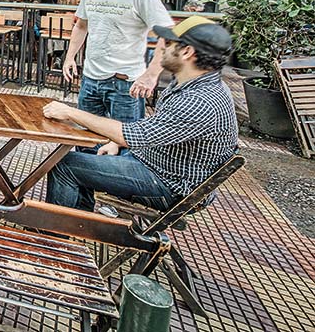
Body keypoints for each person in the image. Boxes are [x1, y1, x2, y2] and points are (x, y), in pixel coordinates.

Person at [43, 16, 237, 212]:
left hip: (170, 186)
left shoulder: (198, 101)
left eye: (169, 43)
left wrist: (69, 112)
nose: (162, 48)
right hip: (160, 167)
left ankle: (53, 236)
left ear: (187, 52)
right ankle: (80, 222)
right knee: (86, 157)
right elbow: (158, 128)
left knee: (66, 165)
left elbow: (130, 135)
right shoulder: (196, 84)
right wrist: (117, 142)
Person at [62, 0, 173, 125]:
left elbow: (168, 36)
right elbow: (81, 26)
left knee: (124, 140)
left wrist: (151, 75)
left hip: (125, 83)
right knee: (84, 136)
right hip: (90, 78)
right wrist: (69, 57)